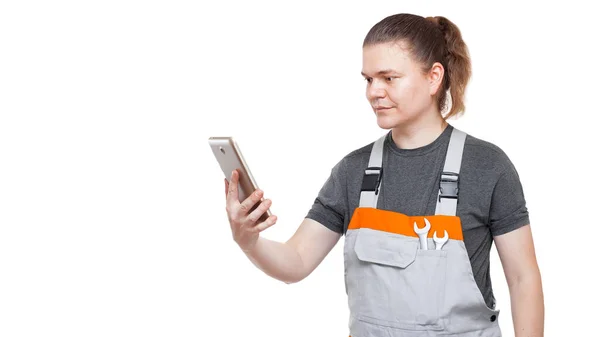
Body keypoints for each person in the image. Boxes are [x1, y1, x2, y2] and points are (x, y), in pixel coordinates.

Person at [223, 13, 544, 337]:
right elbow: (296, 261)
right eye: (368, 79)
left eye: (389, 78)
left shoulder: (487, 166)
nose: (374, 91)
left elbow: (522, 279)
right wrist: (248, 240)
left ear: (434, 78)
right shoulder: (353, 170)